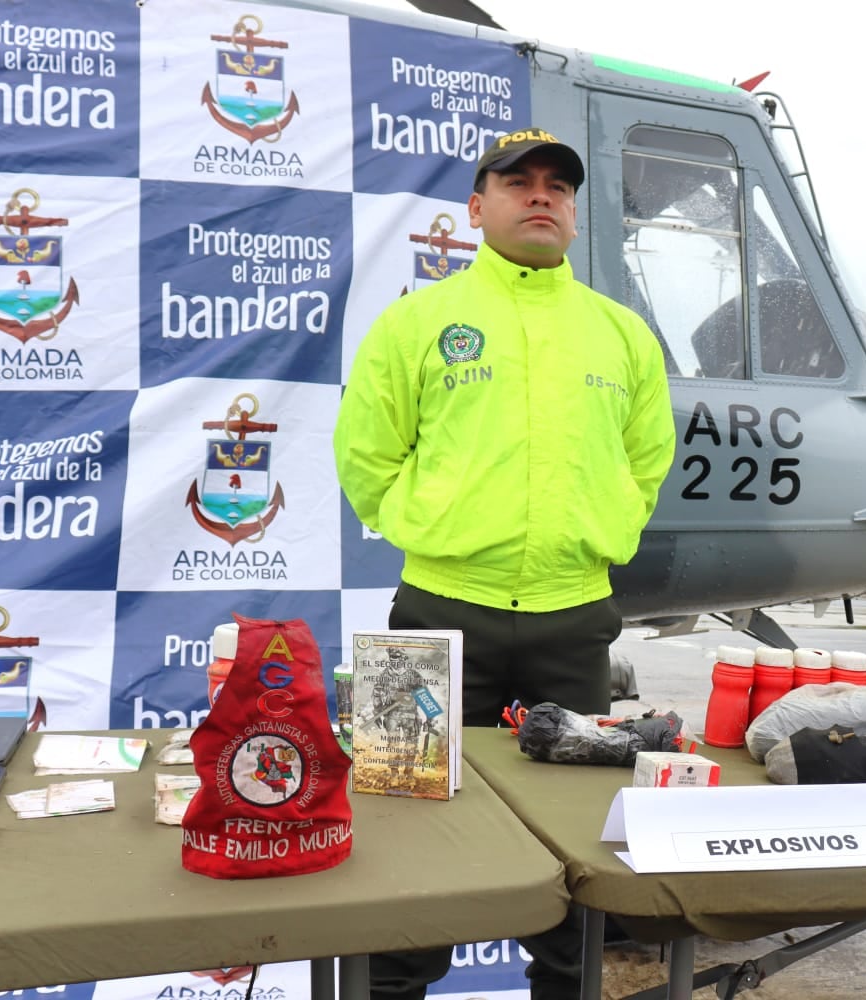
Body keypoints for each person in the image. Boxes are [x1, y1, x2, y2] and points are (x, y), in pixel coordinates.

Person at [334, 127, 676, 1000]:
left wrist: (601, 530)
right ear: (476, 207)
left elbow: (646, 462)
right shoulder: (415, 323)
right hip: (436, 613)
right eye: (518, 181)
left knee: (576, 849)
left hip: (574, 620)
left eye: (558, 185)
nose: (541, 195)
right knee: (406, 835)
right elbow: (366, 455)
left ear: (574, 213)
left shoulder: (622, 334)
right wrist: (434, 526)